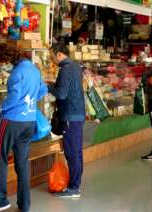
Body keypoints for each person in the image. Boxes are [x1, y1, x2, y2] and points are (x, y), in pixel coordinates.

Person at [0, 44, 48, 212]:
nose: (1, 67)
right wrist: (29, 100)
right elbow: (43, 89)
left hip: (11, 121)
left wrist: (2, 107)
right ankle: (24, 204)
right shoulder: (34, 69)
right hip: (28, 122)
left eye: (0, 63)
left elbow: (13, 98)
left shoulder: (16, 74)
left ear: (7, 60)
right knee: (22, 163)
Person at [48, 43, 85, 198]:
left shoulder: (65, 69)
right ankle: (75, 184)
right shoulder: (75, 66)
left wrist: (48, 86)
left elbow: (62, 94)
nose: (51, 59)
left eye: (52, 55)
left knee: (71, 152)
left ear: (59, 54)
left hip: (70, 115)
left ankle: (73, 188)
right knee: (76, 152)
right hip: (77, 114)